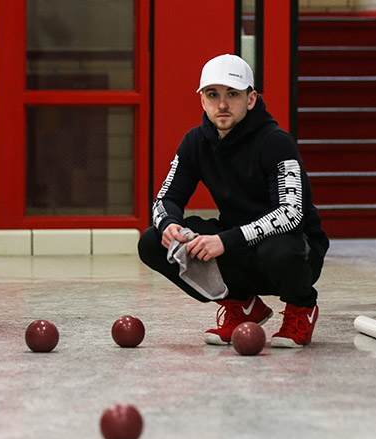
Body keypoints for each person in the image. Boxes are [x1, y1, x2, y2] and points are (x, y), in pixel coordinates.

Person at [138, 54, 329, 348]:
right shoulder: (195, 142)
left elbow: (291, 213)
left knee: (279, 249)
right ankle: (242, 306)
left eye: (233, 95)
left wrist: (226, 240)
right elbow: (166, 198)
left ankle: (302, 307)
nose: (222, 104)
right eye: (213, 95)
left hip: (293, 250)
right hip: (238, 247)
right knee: (153, 241)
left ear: (251, 99)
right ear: (202, 100)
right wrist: (169, 225)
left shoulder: (277, 142)